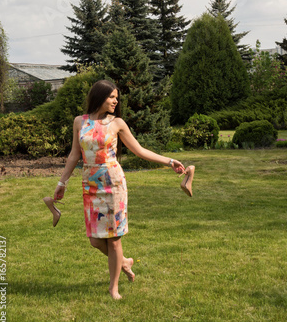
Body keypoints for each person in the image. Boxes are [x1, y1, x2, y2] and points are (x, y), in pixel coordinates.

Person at [45, 79, 190, 300]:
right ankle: (124, 262)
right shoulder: (79, 122)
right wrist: (61, 183)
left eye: (116, 97)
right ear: (99, 97)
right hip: (90, 185)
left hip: (113, 184)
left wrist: (170, 161)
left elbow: (139, 150)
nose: (116, 101)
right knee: (95, 240)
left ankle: (114, 288)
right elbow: (75, 154)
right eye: (111, 97)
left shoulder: (117, 123)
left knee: (113, 239)